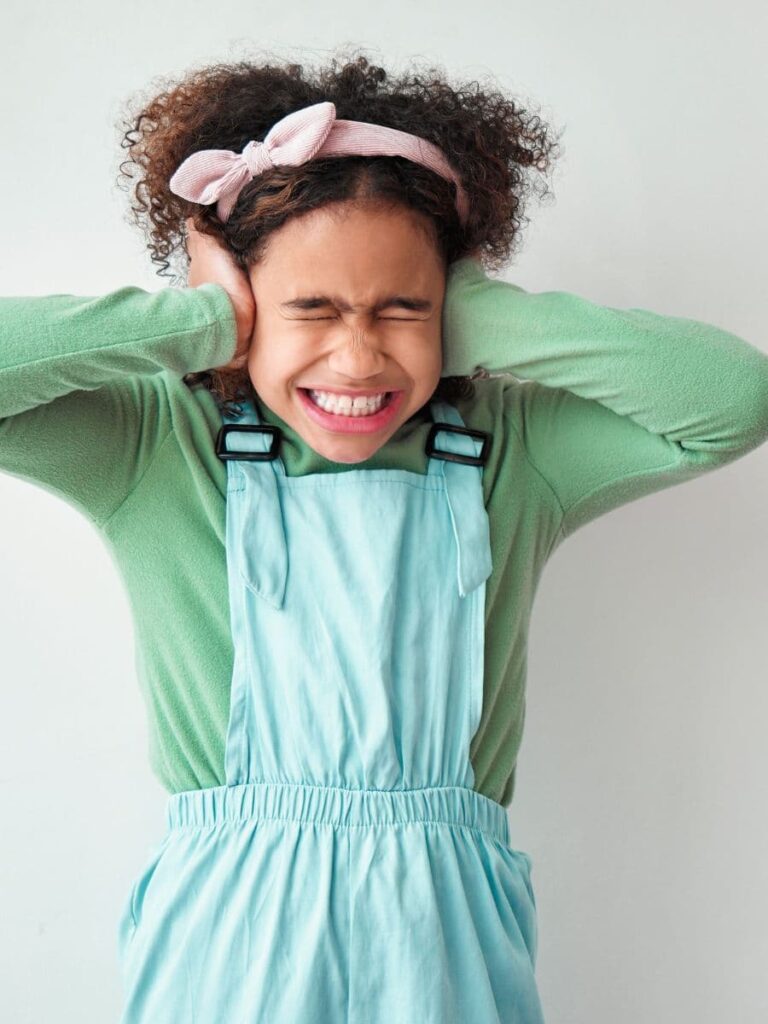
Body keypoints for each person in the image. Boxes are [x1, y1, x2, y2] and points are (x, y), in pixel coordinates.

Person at [2, 51, 767, 1023]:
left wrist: (484, 316)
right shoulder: (160, 452)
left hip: (448, 958)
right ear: (246, 313)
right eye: (309, 309)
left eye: (403, 307)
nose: (358, 355)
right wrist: (195, 319)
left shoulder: (508, 454)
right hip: (228, 957)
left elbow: (733, 400)